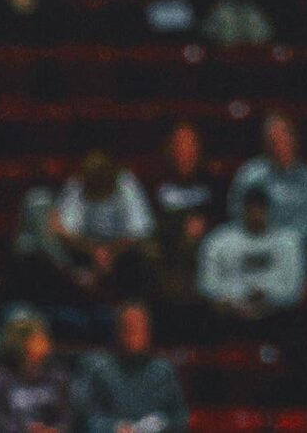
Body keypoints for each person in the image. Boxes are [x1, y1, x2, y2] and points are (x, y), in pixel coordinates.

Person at [197, 188, 307, 343]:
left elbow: (295, 289)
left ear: (269, 210)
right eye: (251, 209)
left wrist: (268, 297)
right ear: (242, 210)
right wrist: (233, 301)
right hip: (229, 315)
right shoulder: (219, 240)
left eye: (260, 209)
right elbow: (207, 284)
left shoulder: (289, 241)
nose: (256, 215)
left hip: (276, 316)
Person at [147, 121, 219, 343]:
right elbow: (151, 232)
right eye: (178, 146)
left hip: (207, 267)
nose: (183, 153)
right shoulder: (156, 185)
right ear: (168, 150)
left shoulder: (214, 185)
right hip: (169, 269)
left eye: (189, 146)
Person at [71, 301, 189, 433]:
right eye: (127, 327)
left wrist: (160, 423)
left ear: (148, 332)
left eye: (139, 327)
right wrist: (113, 427)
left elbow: (180, 417)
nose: (133, 333)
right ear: (116, 330)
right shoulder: (94, 366)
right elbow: (82, 416)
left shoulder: (162, 370)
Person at [54, 151, 155, 300]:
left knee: (148, 253)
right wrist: (93, 251)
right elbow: (63, 230)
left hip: (124, 251)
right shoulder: (76, 185)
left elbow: (141, 231)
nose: (98, 182)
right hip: (84, 250)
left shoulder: (127, 183)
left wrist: (110, 252)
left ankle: (134, 303)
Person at [227, 112, 307, 248]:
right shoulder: (249, 175)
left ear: (295, 140)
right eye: (273, 139)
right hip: (255, 243)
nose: (280, 144)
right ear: (265, 143)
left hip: (298, 247)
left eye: (284, 136)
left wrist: (287, 241)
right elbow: (235, 213)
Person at [0, 313, 72, 433]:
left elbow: (67, 413)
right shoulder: (0, 377)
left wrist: (56, 429)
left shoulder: (56, 375)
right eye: (40, 339)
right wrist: (24, 429)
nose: (47, 343)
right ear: (22, 344)